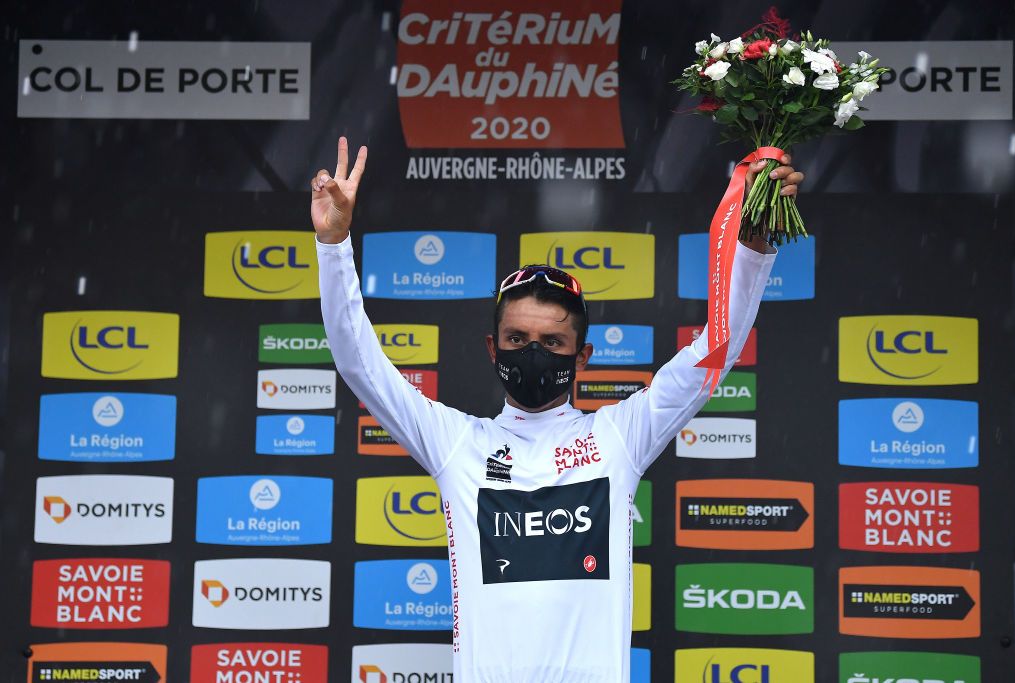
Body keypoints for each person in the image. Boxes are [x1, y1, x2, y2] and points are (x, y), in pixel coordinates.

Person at [310, 137, 803, 683]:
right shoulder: (456, 443)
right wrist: (333, 245)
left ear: (583, 357)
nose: (534, 352)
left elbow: (717, 349)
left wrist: (754, 249)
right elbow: (359, 363)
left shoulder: (620, 436)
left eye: (552, 341)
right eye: (517, 339)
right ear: (492, 350)